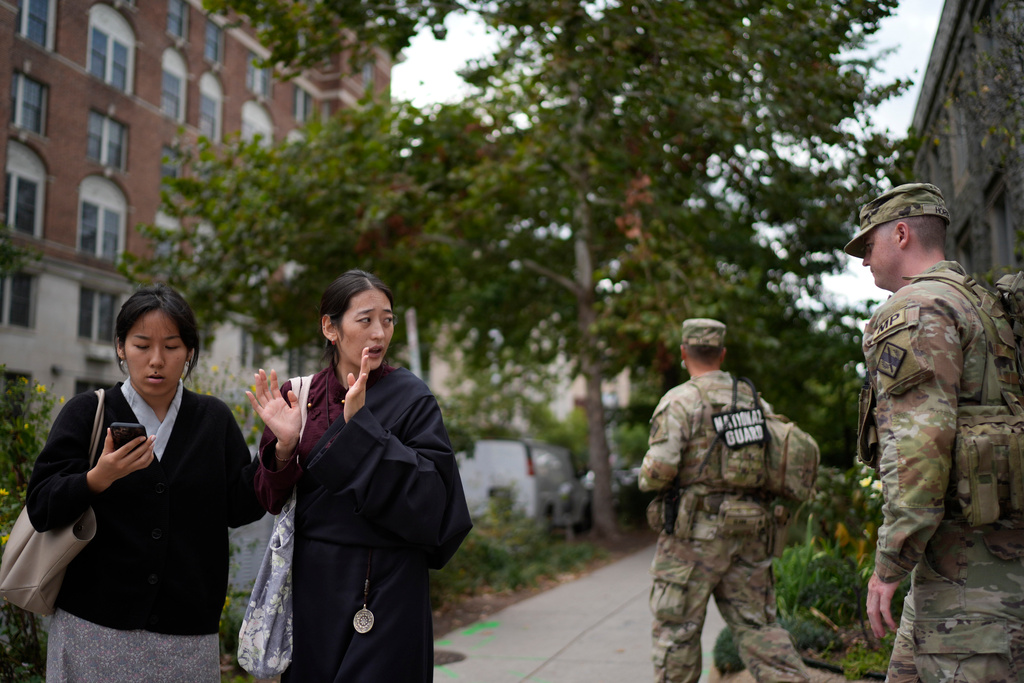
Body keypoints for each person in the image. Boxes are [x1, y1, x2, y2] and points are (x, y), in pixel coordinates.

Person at [25, 283, 265, 681]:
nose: (157, 360)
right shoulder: (89, 413)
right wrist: (97, 478)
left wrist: (282, 447)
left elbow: (242, 507)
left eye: (172, 347)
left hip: (185, 635)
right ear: (120, 347)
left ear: (189, 351)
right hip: (93, 628)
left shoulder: (213, 420)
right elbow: (41, 507)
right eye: (141, 345)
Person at [246, 269, 472, 682]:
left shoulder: (412, 397)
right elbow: (268, 499)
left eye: (387, 320)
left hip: (392, 583)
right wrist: (283, 448)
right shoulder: (300, 397)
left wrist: (361, 426)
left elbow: (434, 501)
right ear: (330, 327)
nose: (379, 333)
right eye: (365, 320)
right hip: (314, 586)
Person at [849, 182, 1024, 681]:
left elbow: (917, 451)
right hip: (980, 569)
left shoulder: (914, 310)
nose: (864, 261)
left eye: (868, 245)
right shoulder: (983, 304)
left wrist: (888, 566)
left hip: (967, 582)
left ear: (901, 233)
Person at [638, 318, 810, 683]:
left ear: (684, 353)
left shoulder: (680, 400)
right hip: (750, 530)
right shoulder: (751, 399)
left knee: (677, 631)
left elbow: (659, 471)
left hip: (692, 539)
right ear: (722, 353)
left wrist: (645, 476)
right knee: (758, 628)